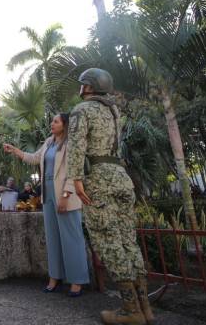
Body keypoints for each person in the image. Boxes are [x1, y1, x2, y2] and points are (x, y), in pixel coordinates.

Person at [65, 68, 152, 325]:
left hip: (99, 179)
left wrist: (75, 178)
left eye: (83, 85)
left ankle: (130, 310)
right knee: (128, 242)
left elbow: (77, 145)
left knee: (108, 242)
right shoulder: (113, 111)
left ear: (89, 87)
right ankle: (145, 307)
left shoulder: (82, 110)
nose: (80, 88)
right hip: (120, 177)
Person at [4, 113, 89, 297]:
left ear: (64, 125)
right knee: (53, 239)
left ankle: (77, 280)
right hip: (48, 194)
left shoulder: (71, 143)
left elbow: (74, 171)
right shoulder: (49, 142)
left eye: (56, 121)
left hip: (66, 194)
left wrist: (66, 195)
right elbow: (34, 158)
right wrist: (15, 150)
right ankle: (55, 278)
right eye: (52, 121)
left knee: (72, 238)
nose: (52, 123)